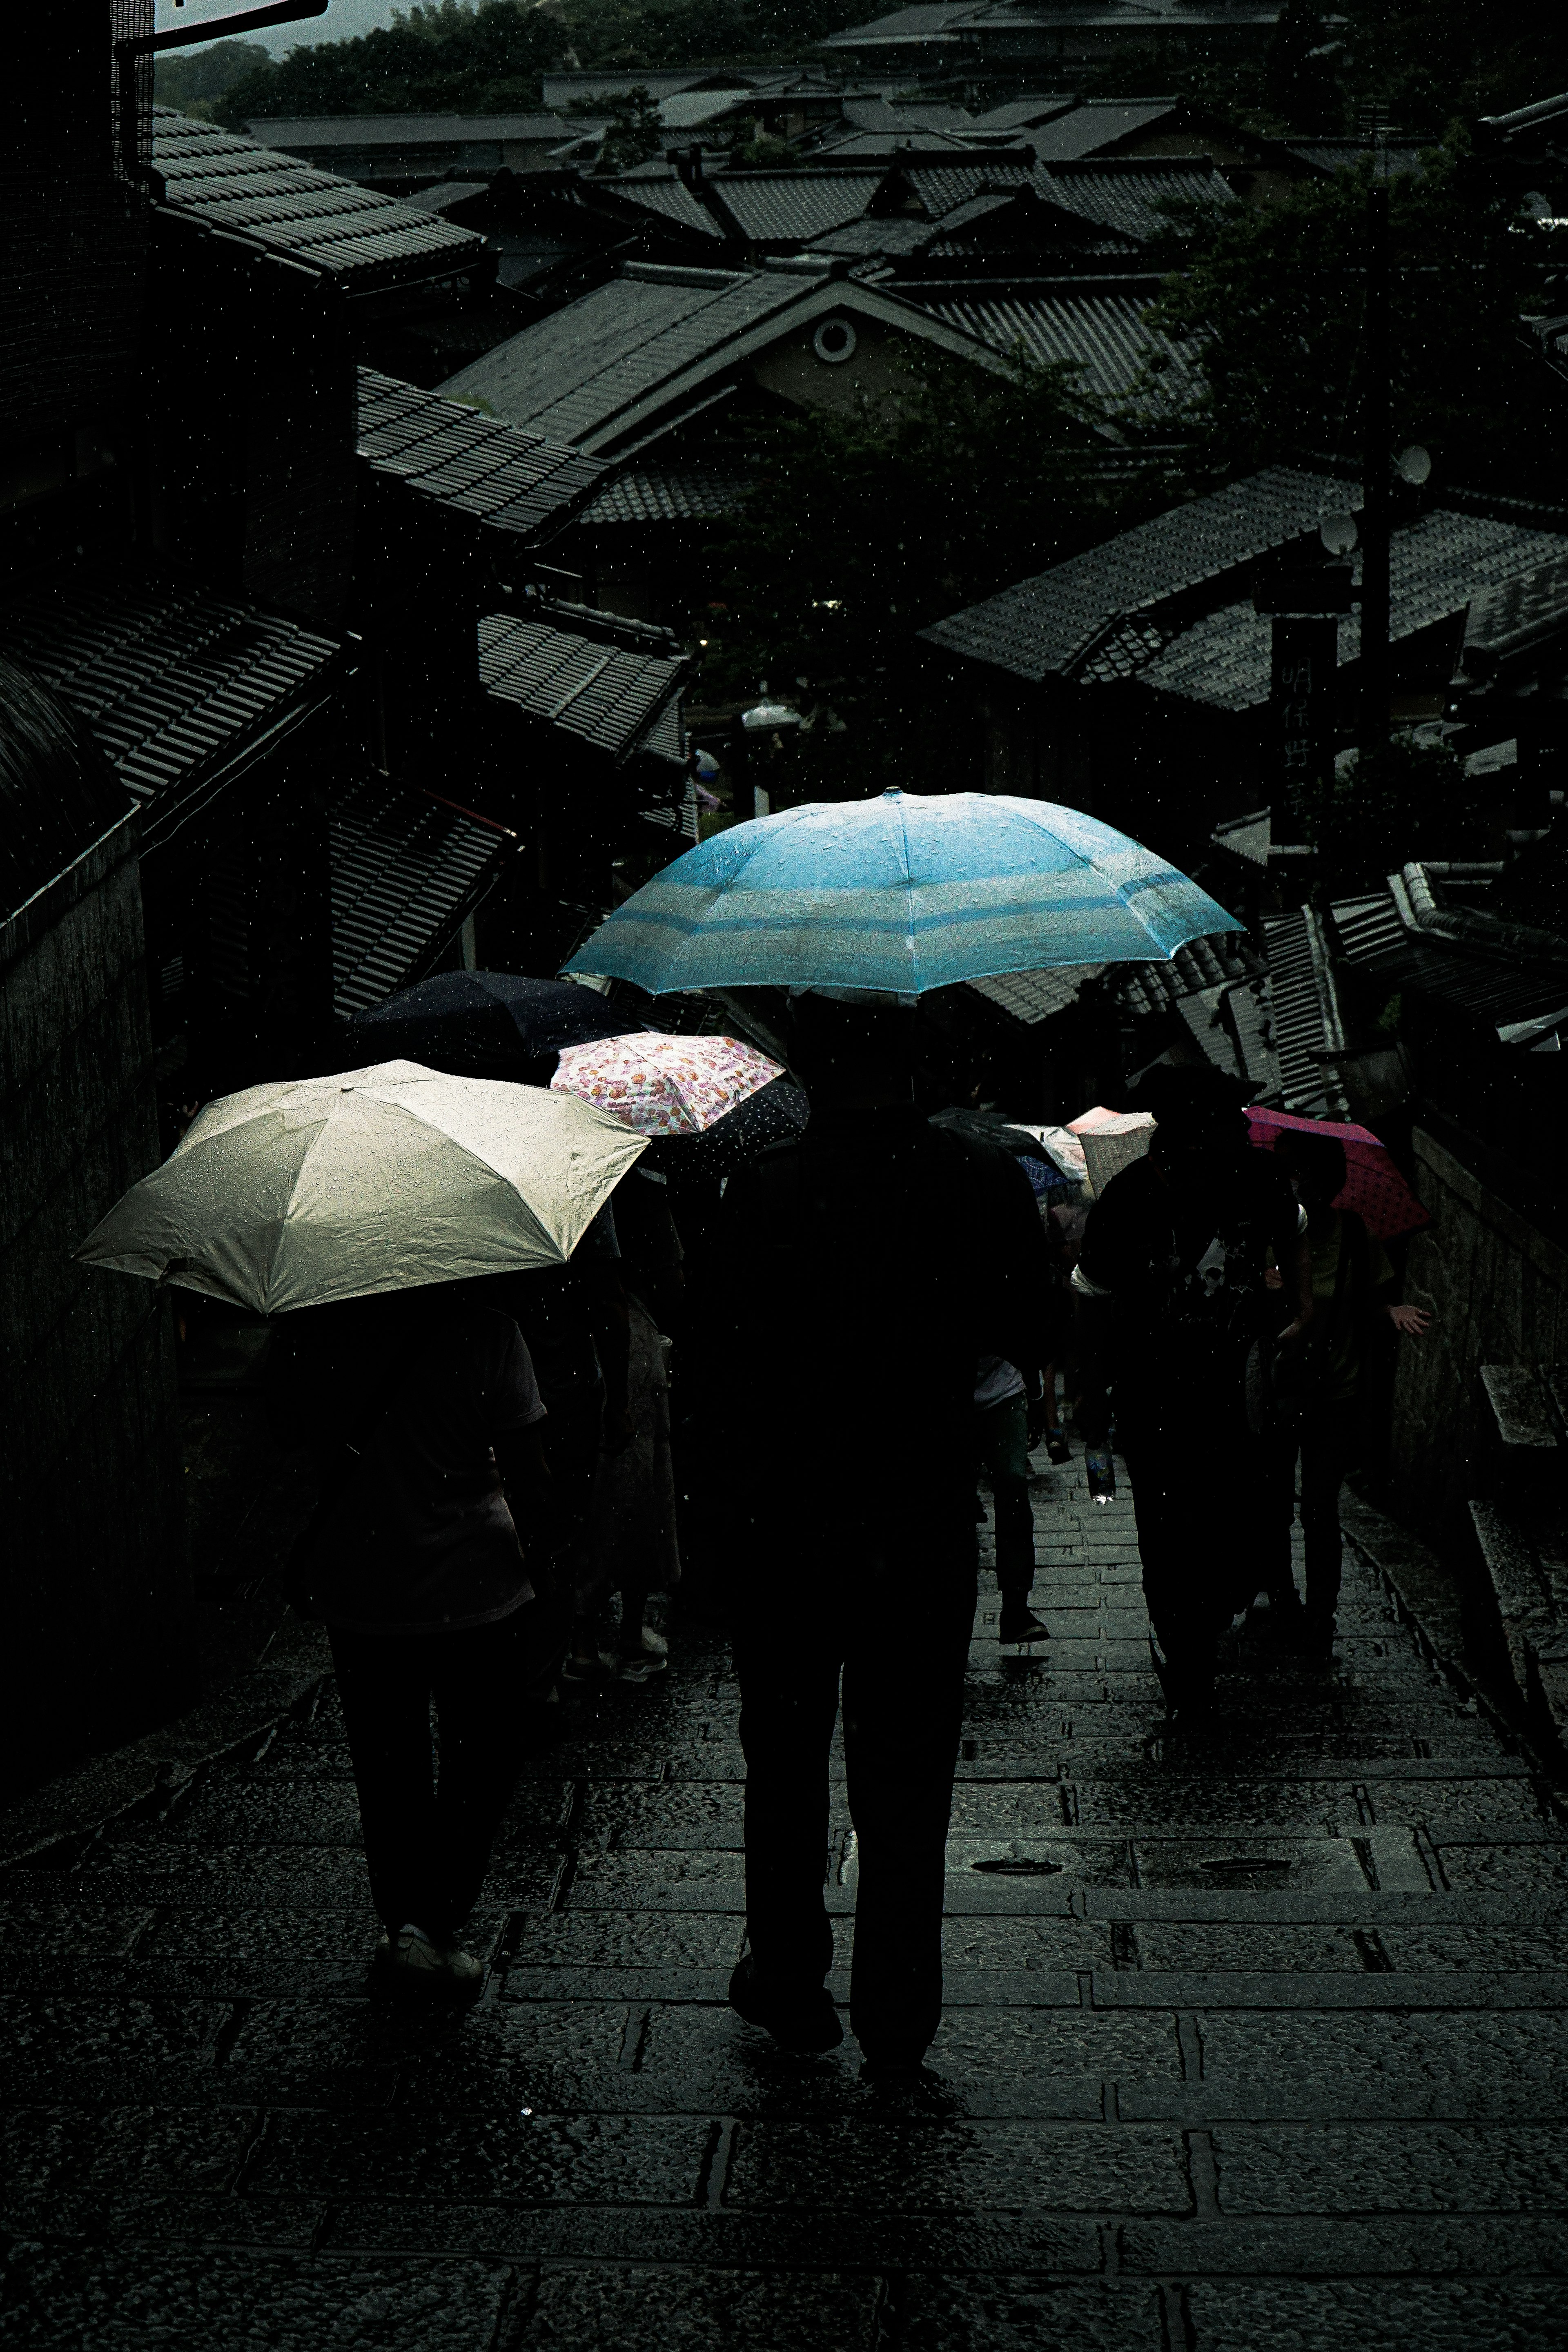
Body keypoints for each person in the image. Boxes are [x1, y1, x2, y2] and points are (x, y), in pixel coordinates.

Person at [689, 990, 1042, 2080]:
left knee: (785, 1761)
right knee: (905, 1771)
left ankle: (791, 1979)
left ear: (802, 1069)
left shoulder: (761, 1189)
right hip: (921, 1518)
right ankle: (899, 2010)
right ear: (911, 1061)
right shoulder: (976, 1178)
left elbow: (711, 1378)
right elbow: (1031, 1331)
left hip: (787, 1525)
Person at [268, 1283, 566, 1994]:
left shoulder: (314, 1331)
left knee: (387, 1763)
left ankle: (406, 1920)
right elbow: (532, 1479)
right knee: (483, 1760)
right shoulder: (491, 1332)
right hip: (481, 1592)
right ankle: (434, 1923)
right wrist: (557, 1582)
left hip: (364, 1589)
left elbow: (290, 1437)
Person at [1073, 1069, 1310, 1728]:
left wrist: (1303, 1304)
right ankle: (1187, 1647)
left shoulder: (1250, 1180)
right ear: (1199, 1129)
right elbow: (1091, 1296)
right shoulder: (1137, 1196)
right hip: (1171, 1399)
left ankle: (1201, 1622)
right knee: (1182, 1525)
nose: (1245, 1126)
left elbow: (1295, 1227)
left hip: (1222, 1393)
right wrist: (1093, 1399)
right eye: (1232, 1117)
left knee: (1214, 1521)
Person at [1263, 1130, 1431, 1657]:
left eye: (1302, 1171)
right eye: (1287, 1172)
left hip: (1336, 1389)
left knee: (1319, 1506)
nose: (1296, 1182)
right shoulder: (1268, 1234)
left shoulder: (1355, 1235)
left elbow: (1372, 1298)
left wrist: (1392, 1312)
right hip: (1276, 1390)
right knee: (1272, 1505)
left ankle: (1321, 1616)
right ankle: (1282, 1597)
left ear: (1328, 1179)